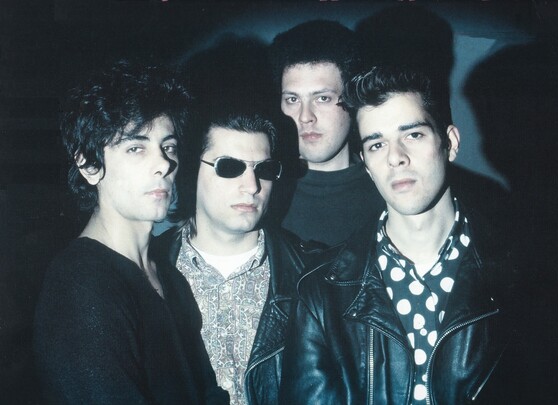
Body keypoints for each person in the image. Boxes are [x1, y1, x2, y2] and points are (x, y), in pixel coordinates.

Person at [280, 66, 516, 404]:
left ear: (450, 143)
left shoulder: (522, 274)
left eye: (413, 135)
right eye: (377, 144)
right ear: (366, 164)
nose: (395, 158)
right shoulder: (321, 292)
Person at [33, 60, 228, 405]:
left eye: (168, 146)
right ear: (89, 165)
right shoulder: (80, 283)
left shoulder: (169, 277)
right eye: (136, 148)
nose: (164, 164)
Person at [154, 112, 324, 405]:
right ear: (191, 169)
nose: (252, 185)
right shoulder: (145, 270)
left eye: (264, 169)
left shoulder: (313, 277)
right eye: (230, 167)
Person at [268, 20, 384, 246]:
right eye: (292, 99)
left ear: (352, 101)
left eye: (322, 98)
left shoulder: (389, 186)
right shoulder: (261, 189)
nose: (305, 116)